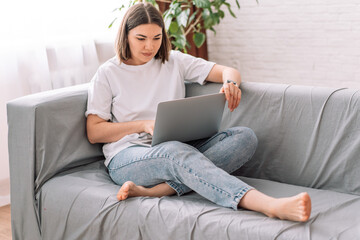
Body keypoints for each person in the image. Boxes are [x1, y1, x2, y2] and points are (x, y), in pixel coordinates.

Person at [85, 2, 311, 222]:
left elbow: (227, 70)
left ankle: (158, 191)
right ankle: (267, 205)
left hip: (177, 147)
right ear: (125, 36)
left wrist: (231, 83)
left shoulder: (174, 61)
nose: (149, 47)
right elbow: (95, 132)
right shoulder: (108, 73)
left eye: (157, 38)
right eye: (141, 39)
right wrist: (143, 124)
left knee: (244, 137)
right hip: (127, 157)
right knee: (173, 152)